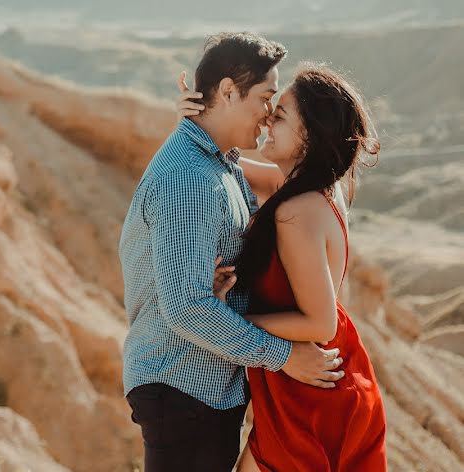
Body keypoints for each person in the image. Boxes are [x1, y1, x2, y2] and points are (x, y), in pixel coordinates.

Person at [119, 32, 345, 472]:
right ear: (226, 91)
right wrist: (284, 355)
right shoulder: (189, 179)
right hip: (182, 384)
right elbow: (185, 308)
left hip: (204, 387)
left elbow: (296, 184)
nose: (266, 116)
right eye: (264, 99)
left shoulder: (218, 162)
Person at [178, 63, 387, 471]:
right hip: (316, 380)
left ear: (309, 136)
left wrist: (229, 317)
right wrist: (197, 119)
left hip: (310, 393)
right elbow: (221, 161)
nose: (268, 118)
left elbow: (321, 323)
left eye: (281, 115)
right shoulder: (306, 188)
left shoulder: (295, 211)